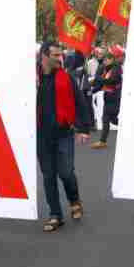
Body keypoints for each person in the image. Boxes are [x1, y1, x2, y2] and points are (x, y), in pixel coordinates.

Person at [37, 41, 92, 232]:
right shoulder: (31, 79)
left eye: (60, 54)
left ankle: (74, 200)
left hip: (64, 133)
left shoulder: (66, 77)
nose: (59, 58)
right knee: (48, 175)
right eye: (55, 55)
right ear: (44, 56)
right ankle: (55, 215)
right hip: (41, 135)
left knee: (66, 172)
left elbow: (80, 102)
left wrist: (84, 128)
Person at [92, 45, 125, 149]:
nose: (105, 61)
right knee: (112, 119)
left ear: (113, 58)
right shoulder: (110, 68)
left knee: (107, 119)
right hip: (110, 98)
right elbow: (103, 84)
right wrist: (92, 90)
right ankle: (103, 141)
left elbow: (110, 81)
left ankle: (103, 141)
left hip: (114, 98)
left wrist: (97, 78)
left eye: (107, 59)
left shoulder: (116, 68)